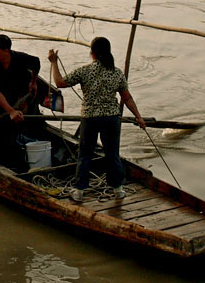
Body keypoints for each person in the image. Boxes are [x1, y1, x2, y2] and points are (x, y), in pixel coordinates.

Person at [47, 37, 145, 202]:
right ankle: (118, 189)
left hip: (91, 118)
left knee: (85, 155)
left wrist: (54, 62)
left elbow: (60, 82)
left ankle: (79, 191)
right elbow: (127, 98)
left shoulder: (85, 71)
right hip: (111, 118)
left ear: (92, 53)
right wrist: (139, 117)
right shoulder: (117, 73)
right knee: (112, 154)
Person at [0, 34, 40, 171]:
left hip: (16, 97)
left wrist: (34, 82)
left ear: (6, 51)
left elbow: (36, 62)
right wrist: (10, 111)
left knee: (30, 125)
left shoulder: (19, 58)